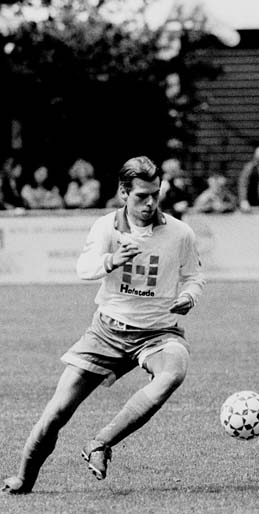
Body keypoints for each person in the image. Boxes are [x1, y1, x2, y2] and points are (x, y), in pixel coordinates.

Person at [1, 156, 205, 495]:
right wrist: (112, 260)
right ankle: (24, 478)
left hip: (157, 332)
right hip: (107, 332)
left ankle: (100, 443)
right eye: (142, 195)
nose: (150, 202)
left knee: (174, 371)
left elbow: (195, 275)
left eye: (156, 194)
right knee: (57, 411)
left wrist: (189, 296)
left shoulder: (179, 233)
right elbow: (84, 267)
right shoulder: (105, 227)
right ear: (123, 193)